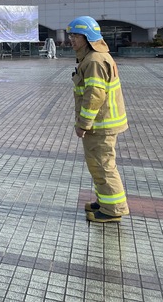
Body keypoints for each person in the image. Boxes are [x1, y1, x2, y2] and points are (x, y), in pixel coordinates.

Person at [67, 16, 130, 223]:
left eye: (76, 36)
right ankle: (105, 201)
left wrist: (82, 125)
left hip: (101, 125)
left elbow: (94, 95)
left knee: (103, 166)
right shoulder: (93, 57)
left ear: (87, 38)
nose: (72, 40)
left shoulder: (94, 61)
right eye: (71, 35)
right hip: (101, 124)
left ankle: (113, 209)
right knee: (98, 165)